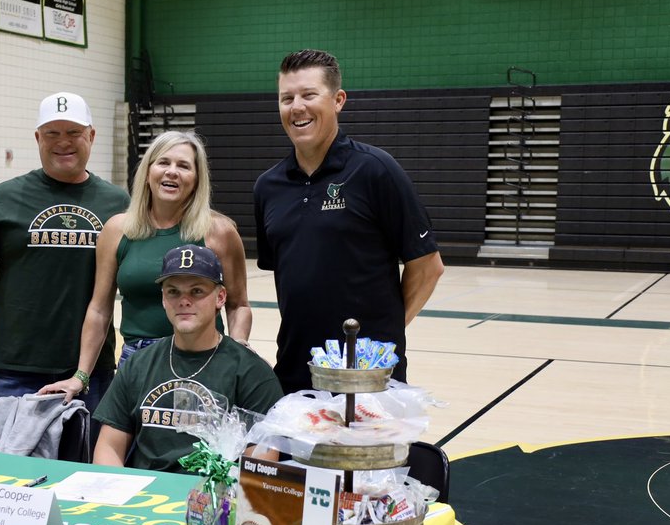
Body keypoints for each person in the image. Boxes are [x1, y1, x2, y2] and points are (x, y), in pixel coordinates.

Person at [254, 49, 444, 392]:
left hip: (368, 375)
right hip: (296, 369)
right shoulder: (268, 186)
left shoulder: (375, 170)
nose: (297, 106)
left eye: (309, 95)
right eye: (287, 98)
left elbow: (428, 266)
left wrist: (381, 341)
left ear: (338, 100)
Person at [0, 92, 130, 415]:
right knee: (14, 467)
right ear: (37, 138)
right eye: (52, 134)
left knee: (86, 465)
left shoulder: (118, 205)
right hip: (16, 374)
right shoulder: (4, 199)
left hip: (90, 374)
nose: (63, 143)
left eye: (73, 133)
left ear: (92, 135)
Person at [40, 131, 251, 402]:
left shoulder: (218, 232)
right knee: (126, 443)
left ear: (197, 179)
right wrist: (80, 376)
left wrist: (238, 352)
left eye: (184, 166)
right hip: (137, 360)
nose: (172, 172)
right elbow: (99, 308)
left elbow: (238, 305)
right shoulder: (117, 229)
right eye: (163, 163)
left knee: (198, 445)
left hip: (204, 358)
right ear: (148, 171)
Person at [92, 245, 283, 473]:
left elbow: (263, 462)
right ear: (163, 299)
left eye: (197, 292)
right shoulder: (139, 364)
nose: (184, 301)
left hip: (216, 499)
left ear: (220, 297)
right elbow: (108, 448)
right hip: (144, 497)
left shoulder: (251, 371)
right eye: (173, 292)